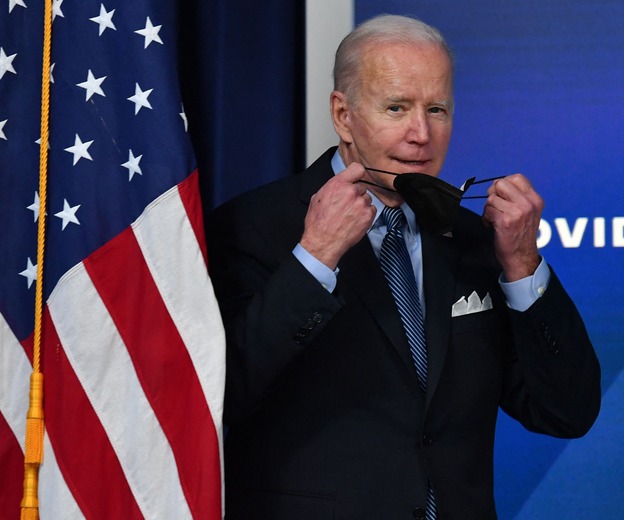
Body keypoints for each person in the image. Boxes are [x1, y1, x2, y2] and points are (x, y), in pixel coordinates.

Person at [206, 14, 601, 520]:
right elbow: (215, 401)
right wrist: (314, 261)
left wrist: (523, 266)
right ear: (343, 115)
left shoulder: (475, 239)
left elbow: (566, 411)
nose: (421, 134)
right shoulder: (250, 227)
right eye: (397, 108)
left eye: (437, 109)